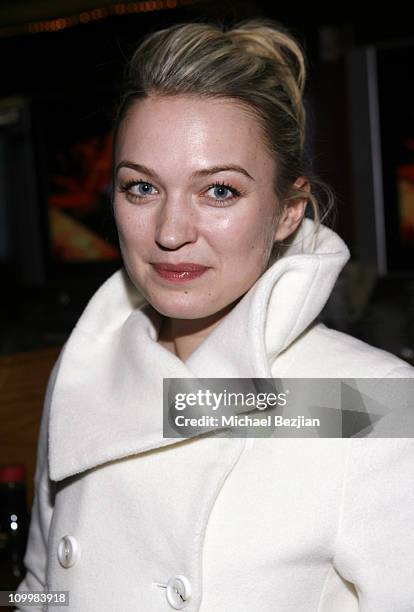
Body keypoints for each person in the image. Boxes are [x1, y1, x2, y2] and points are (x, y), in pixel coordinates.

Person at [16, 17, 414, 611]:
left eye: (219, 190)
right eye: (141, 188)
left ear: (288, 210)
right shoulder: (85, 371)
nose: (170, 233)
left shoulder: (369, 402)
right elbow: (42, 593)